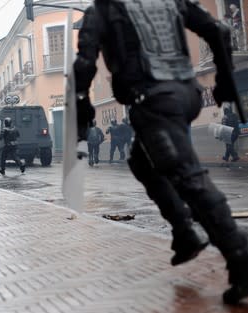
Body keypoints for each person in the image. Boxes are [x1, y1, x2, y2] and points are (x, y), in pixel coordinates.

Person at [73, 1, 248, 304]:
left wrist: (81, 103)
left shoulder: (101, 10)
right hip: (186, 93)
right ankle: (185, 232)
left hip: (154, 100)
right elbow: (217, 29)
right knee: (142, 162)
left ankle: (240, 256)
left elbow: (84, 64)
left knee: (188, 177)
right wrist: (223, 80)